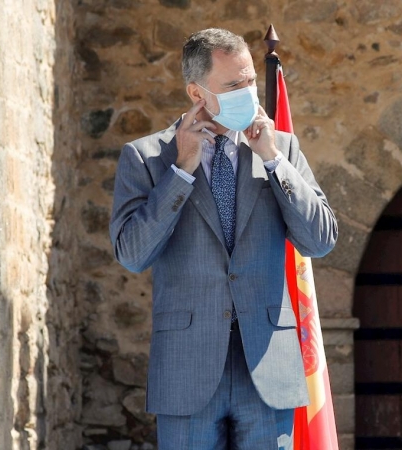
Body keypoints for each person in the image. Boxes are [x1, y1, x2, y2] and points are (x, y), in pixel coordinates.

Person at [109, 28, 337, 449]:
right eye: (234, 86)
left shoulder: (281, 148)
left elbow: (321, 240)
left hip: (268, 367)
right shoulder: (145, 157)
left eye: (250, 80)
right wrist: (179, 171)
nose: (248, 93)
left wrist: (272, 160)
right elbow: (133, 254)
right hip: (187, 370)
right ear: (198, 92)